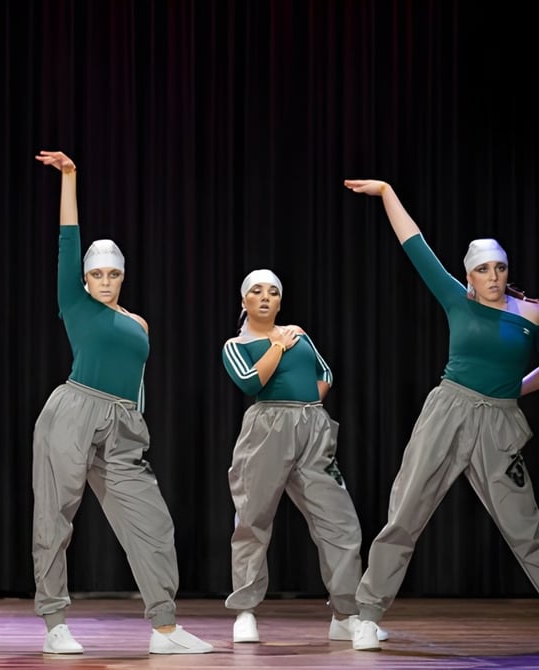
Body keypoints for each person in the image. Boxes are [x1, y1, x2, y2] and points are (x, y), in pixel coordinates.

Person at [343, 179, 539, 651]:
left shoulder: (530, 312)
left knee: (525, 526)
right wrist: (388, 192)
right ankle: (366, 614)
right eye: (483, 270)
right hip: (448, 412)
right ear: (469, 275)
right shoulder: (457, 299)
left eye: (499, 267)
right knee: (407, 510)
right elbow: (414, 243)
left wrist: (516, 387)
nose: (493, 276)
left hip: (501, 425)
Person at [31, 150, 213, 656]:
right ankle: (54, 623)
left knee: (151, 521)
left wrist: (133, 425)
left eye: (112, 275)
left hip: (124, 423)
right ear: (86, 280)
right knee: (56, 516)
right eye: (97, 275)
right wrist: (70, 178)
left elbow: (137, 385)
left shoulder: (139, 325)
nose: (105, 282)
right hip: (73, 410)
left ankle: (165, 628)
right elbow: (68, 243)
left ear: (123, 277)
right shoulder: (76, 304)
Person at [221, 269, 388, 644]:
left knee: (339, 522)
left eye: (274, 292)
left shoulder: (300, 334)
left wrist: (306, 411)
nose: (266, 297)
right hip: (266, 429)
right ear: (244, 301)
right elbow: (251, 382)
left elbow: (325, 371)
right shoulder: (237, 344)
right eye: (257, 292)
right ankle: (245, 611)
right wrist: (277, 346)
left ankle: (346, 613)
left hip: (312, 426)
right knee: (253, 518)